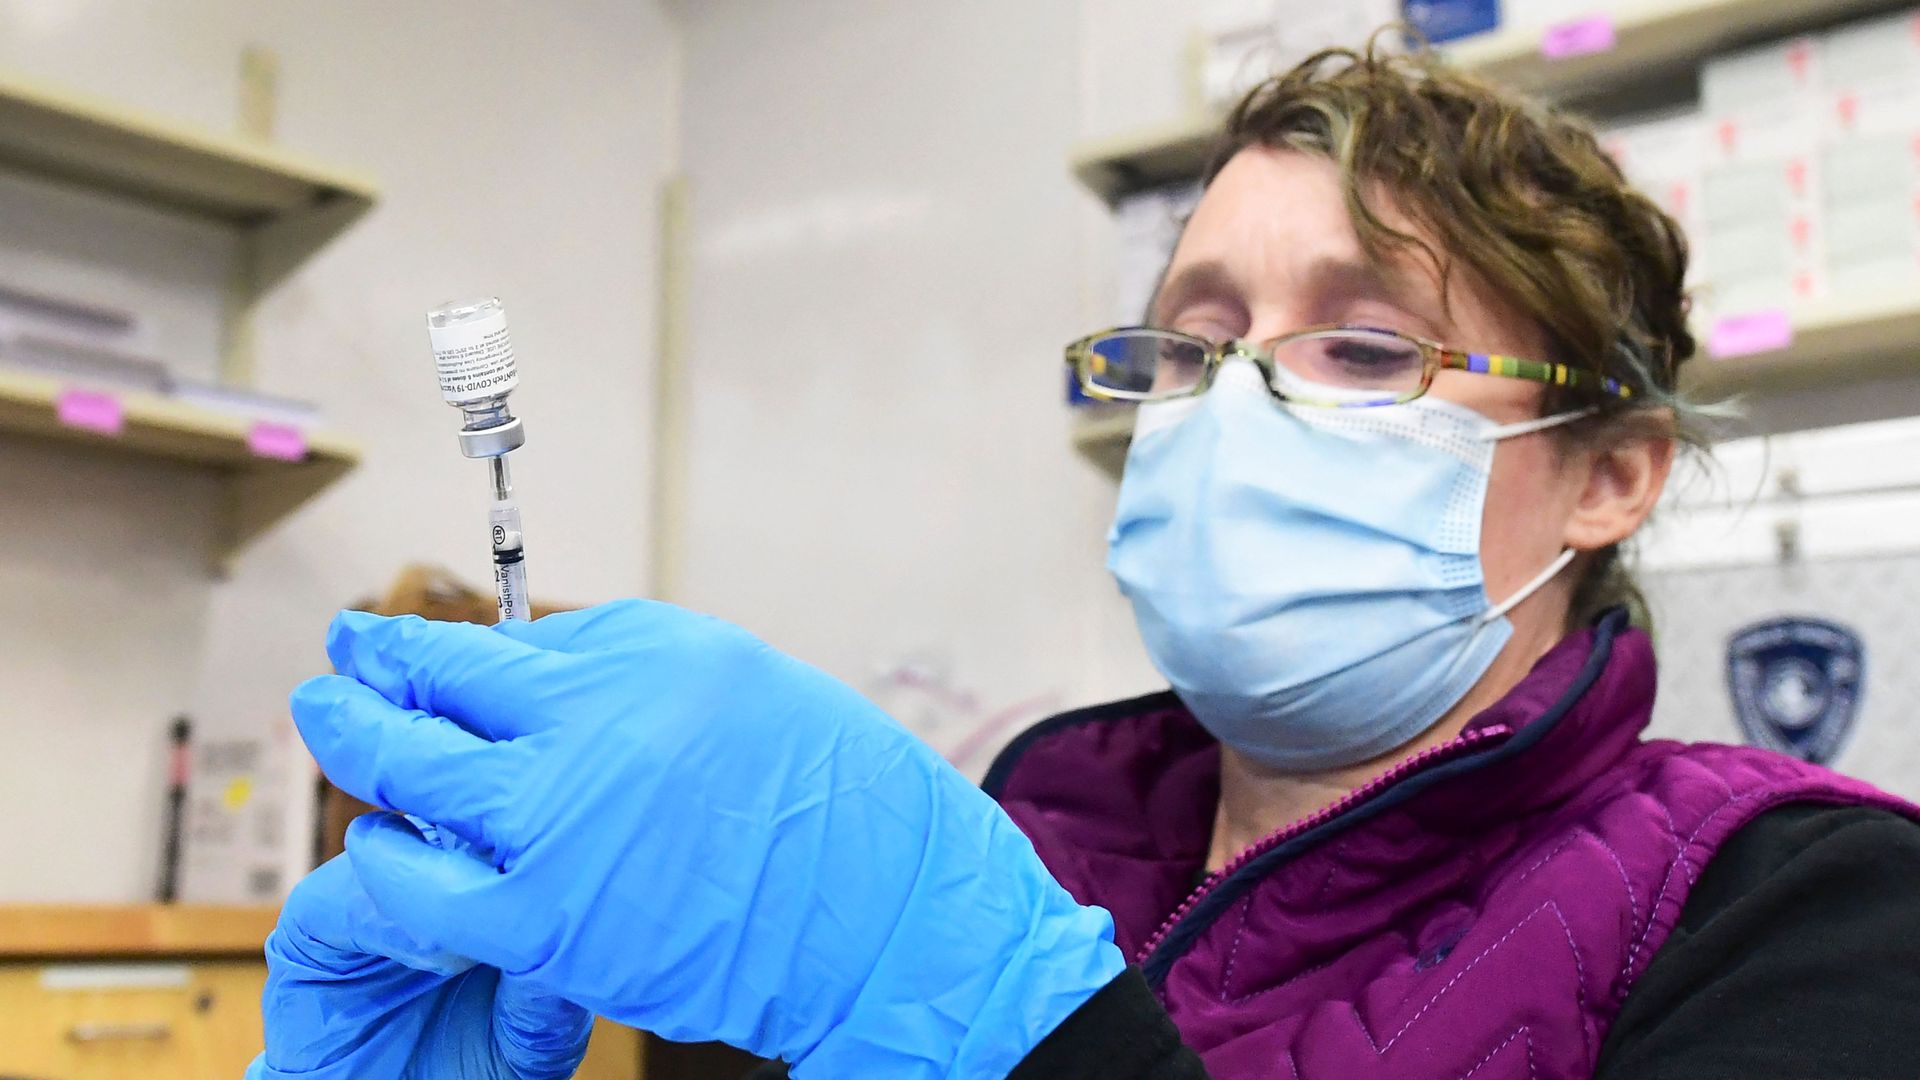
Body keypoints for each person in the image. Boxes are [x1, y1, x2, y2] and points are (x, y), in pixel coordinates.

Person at [249, 40, 1920, 1080]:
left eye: (1359, 348)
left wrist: (1015, 1035)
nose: (1235, 409)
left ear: (1608, 476)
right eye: (1190, 349)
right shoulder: (1030, 823)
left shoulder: (1803, 911)